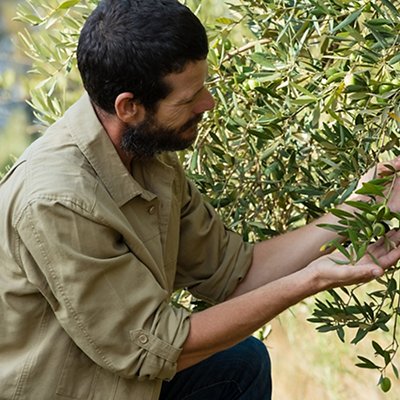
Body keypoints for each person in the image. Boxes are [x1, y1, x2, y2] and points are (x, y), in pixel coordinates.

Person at [0, 1, 400, 399]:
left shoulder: (148, 156)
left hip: (120, 379)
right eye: (189, 98)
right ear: (129, 106)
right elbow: (154, 348)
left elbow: (235, 274)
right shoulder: (57, 200)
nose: (208, 104)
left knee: (240, 363)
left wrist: (361, 207)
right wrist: (310, 278)